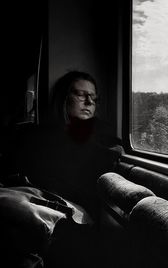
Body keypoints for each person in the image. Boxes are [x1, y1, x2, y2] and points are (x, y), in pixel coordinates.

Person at [2, 71, 122, 267]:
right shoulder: (35, 136)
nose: (89, 102)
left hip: (69, 210)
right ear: (64, 98)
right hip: (29, 198)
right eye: (81, 95)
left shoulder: (103, 138)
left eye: (94, 97)